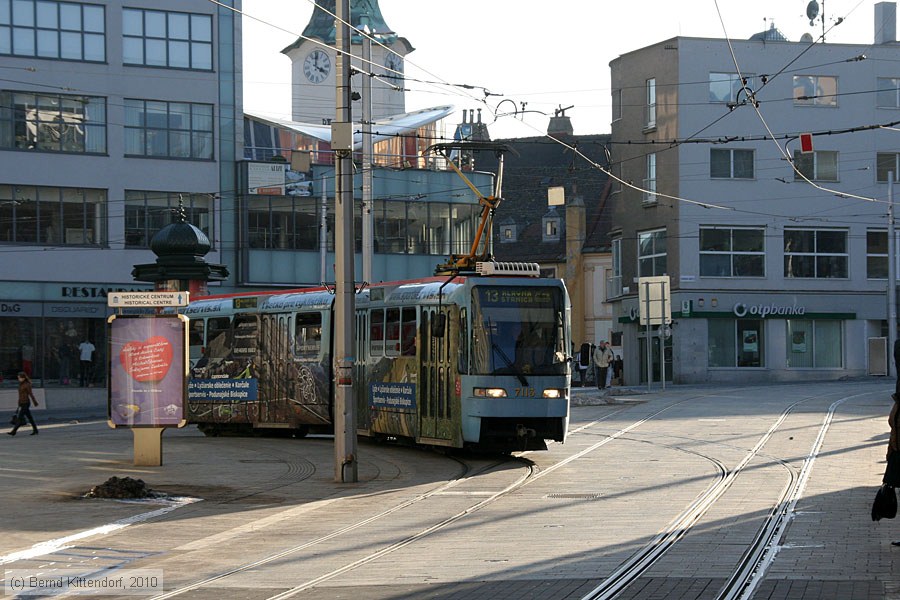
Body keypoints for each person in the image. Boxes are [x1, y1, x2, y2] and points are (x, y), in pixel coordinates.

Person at [8, 372, 38, 436]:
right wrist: (19, 403)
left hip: (26, 403)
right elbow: (20, 395)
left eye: (19, 378)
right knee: (30, 417)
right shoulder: (21, 384)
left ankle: (14, 431)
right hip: (22, 402)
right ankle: (35, 430)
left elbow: (31, 394)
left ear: (23, 378)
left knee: (20, 418)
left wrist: (35, 402)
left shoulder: (27, 384)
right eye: (18, 378)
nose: (18, 379)